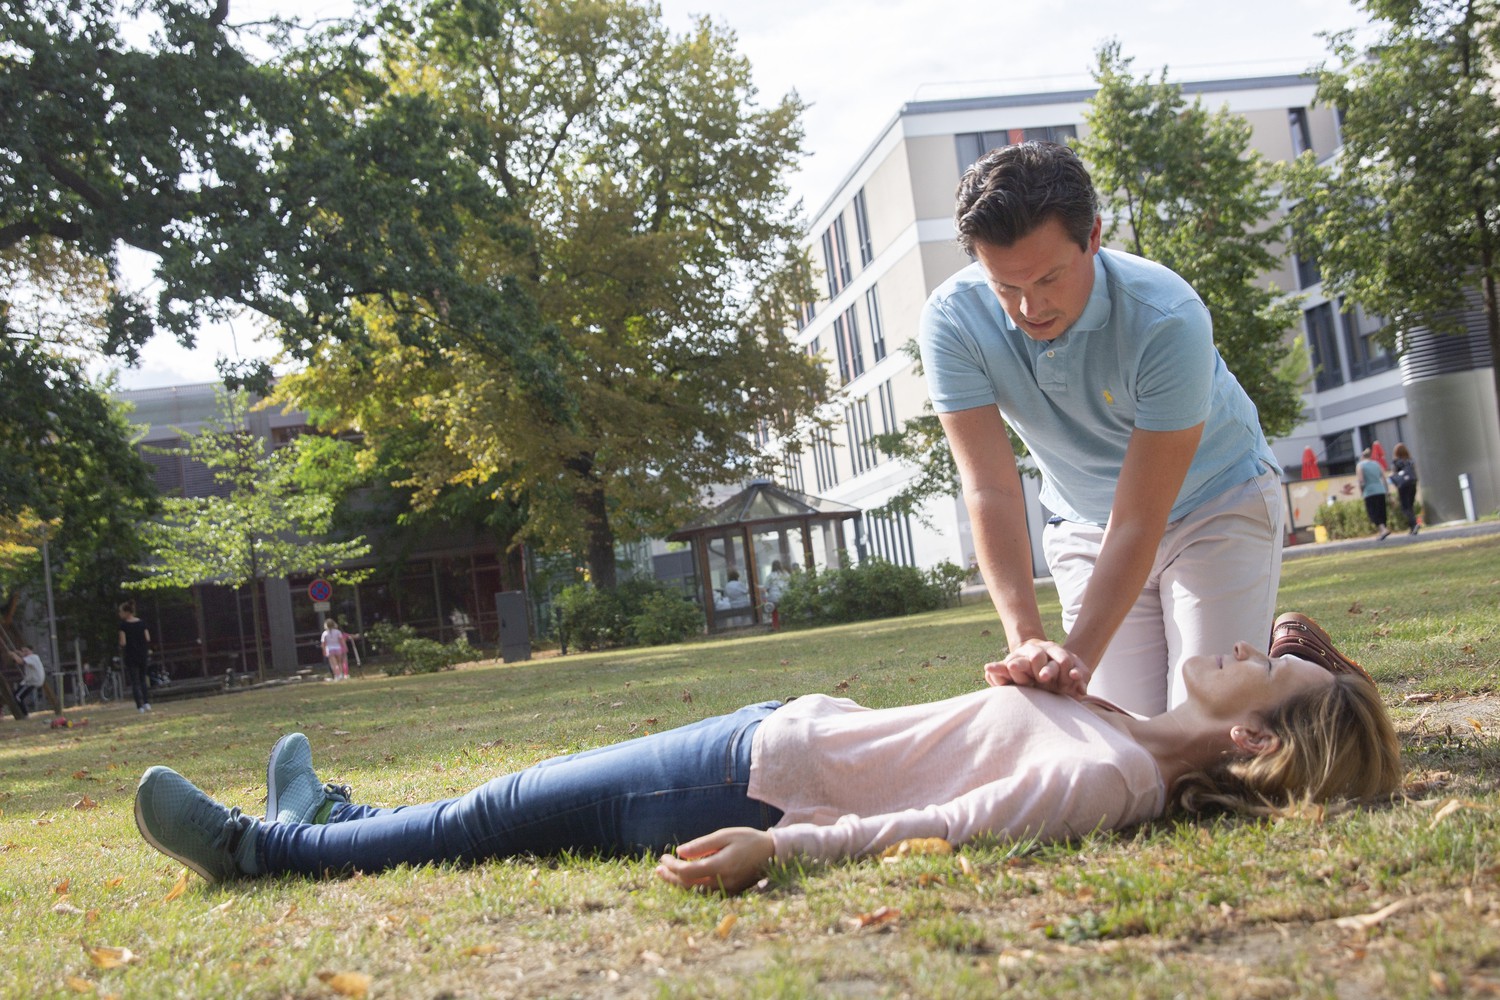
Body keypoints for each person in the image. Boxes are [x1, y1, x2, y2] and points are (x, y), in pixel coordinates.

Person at [132, 613, 1401, 893]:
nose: (1248, 637)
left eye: (1274, 663)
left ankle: (265, 850)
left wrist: (777, 850)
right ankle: (339, 806)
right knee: (495, 802)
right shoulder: (1121, 730)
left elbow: (948, 829)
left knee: (495, 817)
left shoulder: (1114, 778)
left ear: (1253, 733)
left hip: (749, 781)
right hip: (766, 740)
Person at [918, 141, 1283, 716]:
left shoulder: (1168, 317)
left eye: (1048, 278)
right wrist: (1028, 643)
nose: (1028, 307)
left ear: (1092, 238)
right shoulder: (951, 321)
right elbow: (989, 487)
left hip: (1217, 502)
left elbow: (1141, 515)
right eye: (1005, 286)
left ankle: (1297, 661)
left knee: (1203, 726)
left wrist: (1077, 658)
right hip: (1085, 522)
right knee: (1119, 736)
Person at [118, 601, 153, 713]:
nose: (119, 614)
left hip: (130, 655)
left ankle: (139, 706)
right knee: (143, 680)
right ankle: (147, 703)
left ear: (126, 612)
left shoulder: (123, 625)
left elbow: (123, 642)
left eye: (121, 611)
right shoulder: (142, 623)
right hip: (142, 654)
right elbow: (147, 638)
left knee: (135, 682)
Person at [1356, 448, 1392, 541]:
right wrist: (1387, 491)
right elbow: (1384, 478)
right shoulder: (1377, 464)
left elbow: (1361, 481)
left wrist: (1361, 491)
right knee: (1381, 510)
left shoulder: (1360, 465)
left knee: (1373, 512)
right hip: (1380, 489)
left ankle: (1383, 530)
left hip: (1369, 491)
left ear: (1362, 456)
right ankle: (1382, 531)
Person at [1390, 443, 1419, 535]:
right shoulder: (1410, 461)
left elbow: (1394, 474)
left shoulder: (1396, 462)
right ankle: (1413, 527)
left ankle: (1414, 524)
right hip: (1413, 483)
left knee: (1405, 507)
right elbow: (1415, 471)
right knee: (1410, 506)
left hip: (1403, 486)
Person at [8, 645, 46, 714]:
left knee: (17, 697)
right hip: (29, 681)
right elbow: (18, 659)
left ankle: (24, 714)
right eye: (23, 651)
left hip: (32, 681)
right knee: (16, 695)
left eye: (26, 651)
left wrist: (13, 654)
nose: (25, 653)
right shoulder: (29, 657)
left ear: (31, 651)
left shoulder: (33, 657)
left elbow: (20, 661)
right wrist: (17, 653)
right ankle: (22, 713)